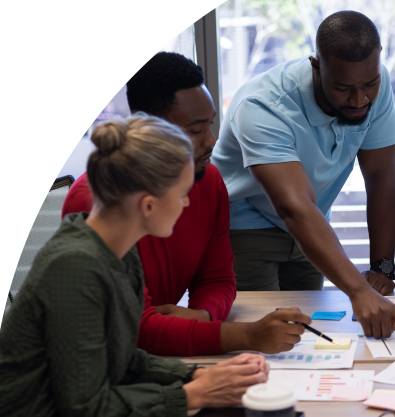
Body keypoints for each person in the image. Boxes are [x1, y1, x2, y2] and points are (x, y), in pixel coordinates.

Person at [0, 115, 271, 417]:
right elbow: (87, 410)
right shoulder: (76, 266)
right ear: (148, 205)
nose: (187, 204)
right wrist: (192, 396)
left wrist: (197, 377)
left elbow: (125, 356)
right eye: (181, 194)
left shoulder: (116, 250)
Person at [62, 52, 308, 356]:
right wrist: (246, 335)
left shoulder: (209, 179)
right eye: (195, 130)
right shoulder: (95, 201)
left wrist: (203, 315)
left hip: (152, 355)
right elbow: (132, 328)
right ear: (151, 131)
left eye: (210, 124)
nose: (211, 140)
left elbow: (218, 278)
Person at [212, 11, 395, 342]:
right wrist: (359, 291)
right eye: (343, 88)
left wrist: (383, 267)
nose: (360, 99)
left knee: (309, 337)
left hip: (313, 225)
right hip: (245, 227)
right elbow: (294, 207)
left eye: (369, 85)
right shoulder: (263, 106)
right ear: (316, 66)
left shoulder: (376, 83)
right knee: (261, 341)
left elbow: (381, 178)